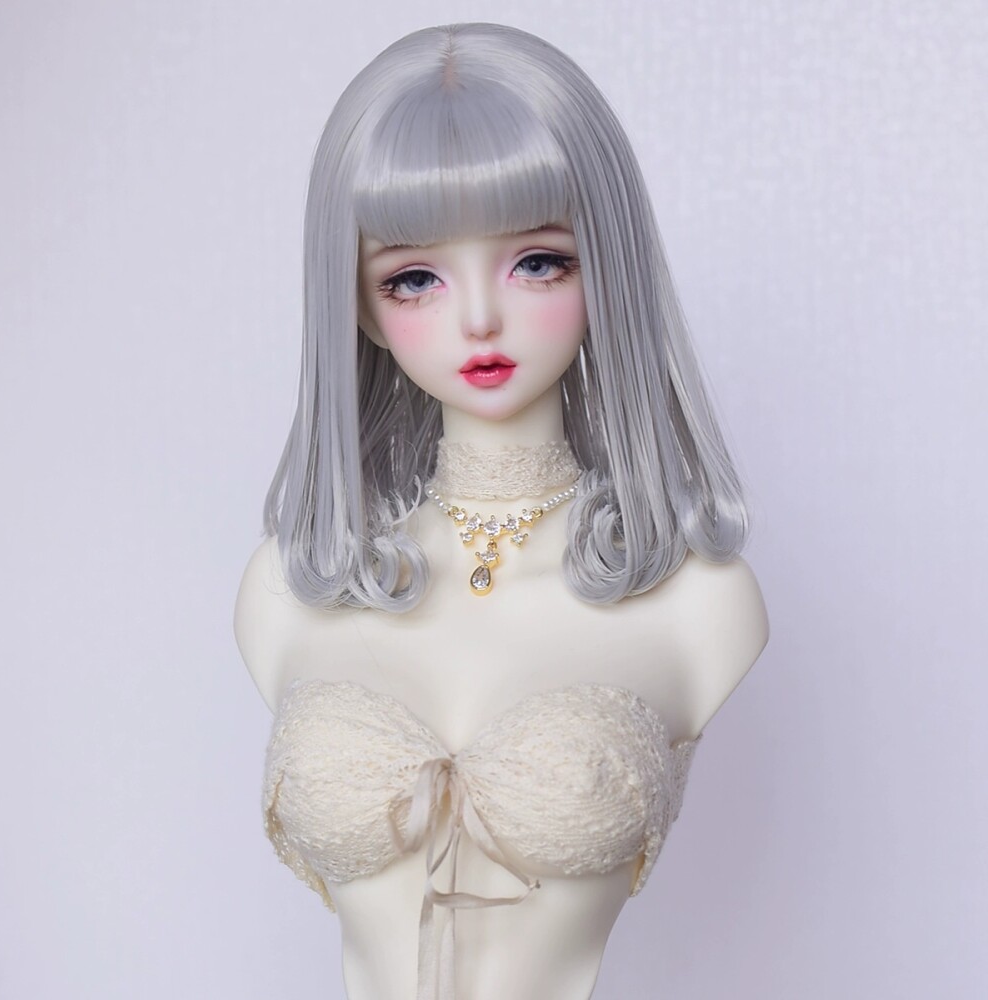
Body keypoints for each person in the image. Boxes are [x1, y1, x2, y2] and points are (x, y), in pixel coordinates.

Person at [234, 22, 768, 1000]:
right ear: (358, 305)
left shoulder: (705, 599)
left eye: (537, 263)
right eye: (416, 278)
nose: (480, 316)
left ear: (606, 268)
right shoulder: (285, 586)